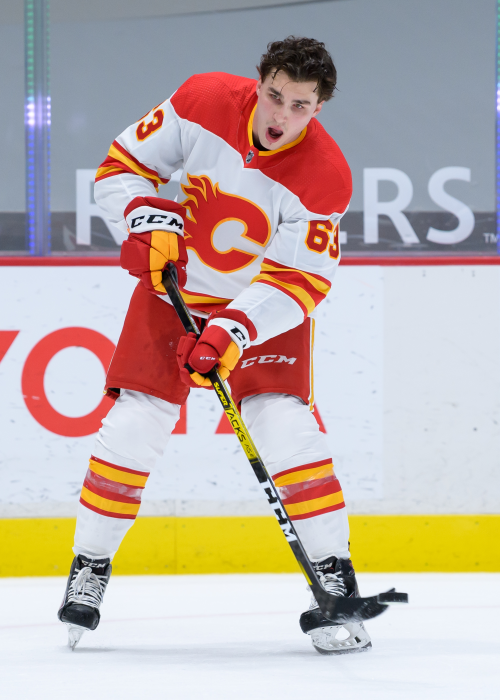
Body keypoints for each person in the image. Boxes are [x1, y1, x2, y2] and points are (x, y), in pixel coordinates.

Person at [57, 36, 371, 655]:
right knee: (134, 425)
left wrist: (235, 328)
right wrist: (142, 218)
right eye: (274, 96)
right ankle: (89, 566)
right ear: (259, 82)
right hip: (171, 289)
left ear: (319, 108)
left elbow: (301, 279)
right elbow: (121, 167)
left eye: (300, 106)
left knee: (286, 429)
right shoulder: (203, 98)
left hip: (260, 309)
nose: (281, 115)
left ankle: (336, 579)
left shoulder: (326, 176)